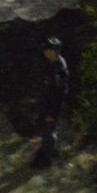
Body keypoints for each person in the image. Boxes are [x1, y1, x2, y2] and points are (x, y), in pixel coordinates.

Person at [33, 37, 70, 167]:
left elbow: (60, 95)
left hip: (51, 107)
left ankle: (46, 157)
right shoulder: (51, 63)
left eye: (48, 50)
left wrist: (52, 113)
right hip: (46, 103)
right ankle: (48, 149)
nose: (45, 52)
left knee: (49, 132)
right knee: (46, 131)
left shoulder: (59, 72)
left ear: (55, 52)